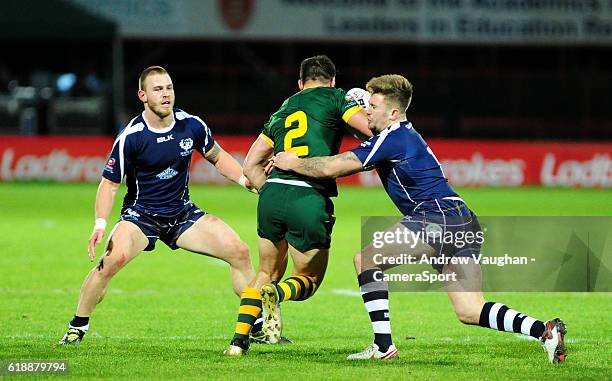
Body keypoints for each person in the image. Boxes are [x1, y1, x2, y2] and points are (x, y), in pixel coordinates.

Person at [273, 74, 567, 364]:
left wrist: (294, 162)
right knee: (469, 310)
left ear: (393, 112)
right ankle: (545, 331)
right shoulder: (401, 135)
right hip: (461, 218)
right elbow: (366, 143)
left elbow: (332, 167)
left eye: (372, 107)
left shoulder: (392, 138)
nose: (366, 111)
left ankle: (383, 346)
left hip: (435, 216)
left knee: (366, 259)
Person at [59, 66, 256, 345]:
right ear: (143, 95)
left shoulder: (191, 125)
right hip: (141, 217)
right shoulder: (132, 136)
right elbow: (109, 184)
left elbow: (217, 156)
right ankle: (77, 326)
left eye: (169, 88)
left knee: (239, 251)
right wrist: (100, 224)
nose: (166, 95)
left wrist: (243, 180)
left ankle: (256, 325)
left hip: (182, 214)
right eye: (158, 89)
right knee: (111, 260)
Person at [223, 55, 372, 355]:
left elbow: (250, 165)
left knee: (265, 270)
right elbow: (373, 132)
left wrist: (270, 190)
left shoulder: (284, 107)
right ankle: (276, 295)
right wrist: (366, 111)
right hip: (308, 196)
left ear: (300, 83)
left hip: (272, 196)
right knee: (309, 279)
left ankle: (238, 343)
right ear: (332, 81)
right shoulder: (337, 97)